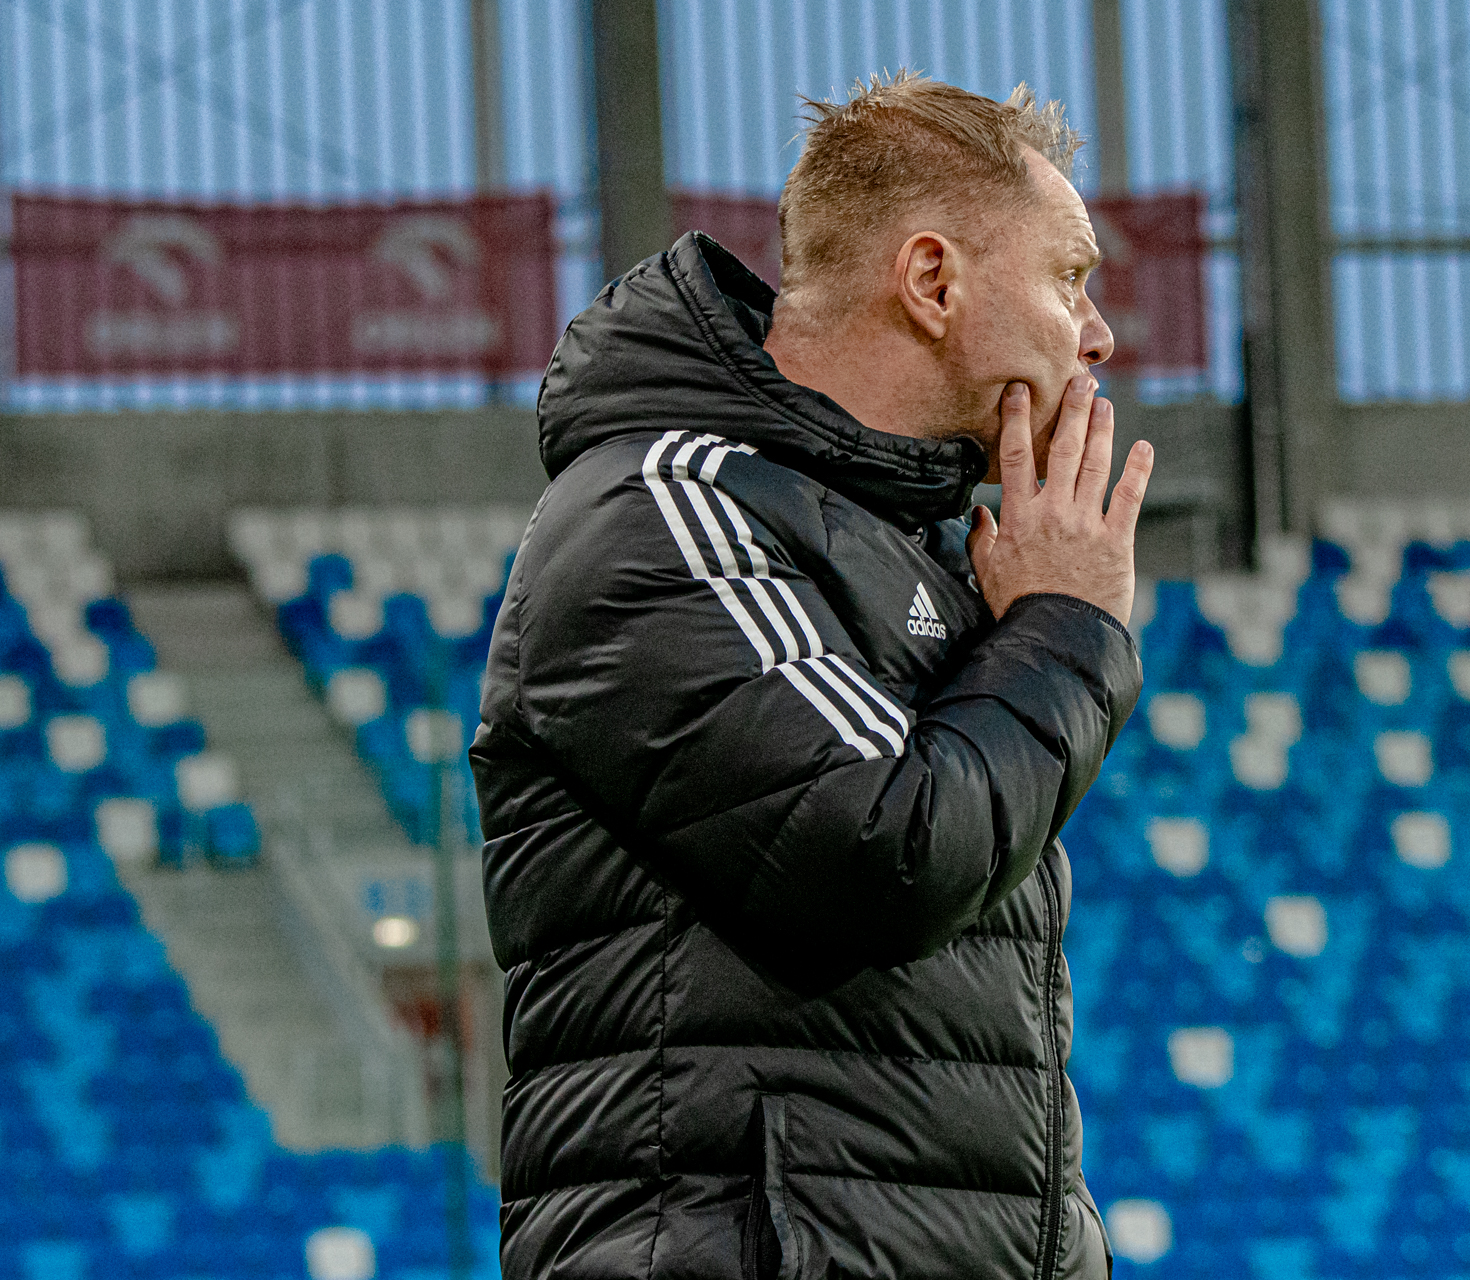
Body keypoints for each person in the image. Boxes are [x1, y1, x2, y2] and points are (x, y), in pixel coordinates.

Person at [472, 71, 1152, 1280]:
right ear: (932, 280)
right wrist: (1065, 627)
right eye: (1069, 276)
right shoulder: (661, 507)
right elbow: (879, 850)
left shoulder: (919, 552)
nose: (1096, 333)